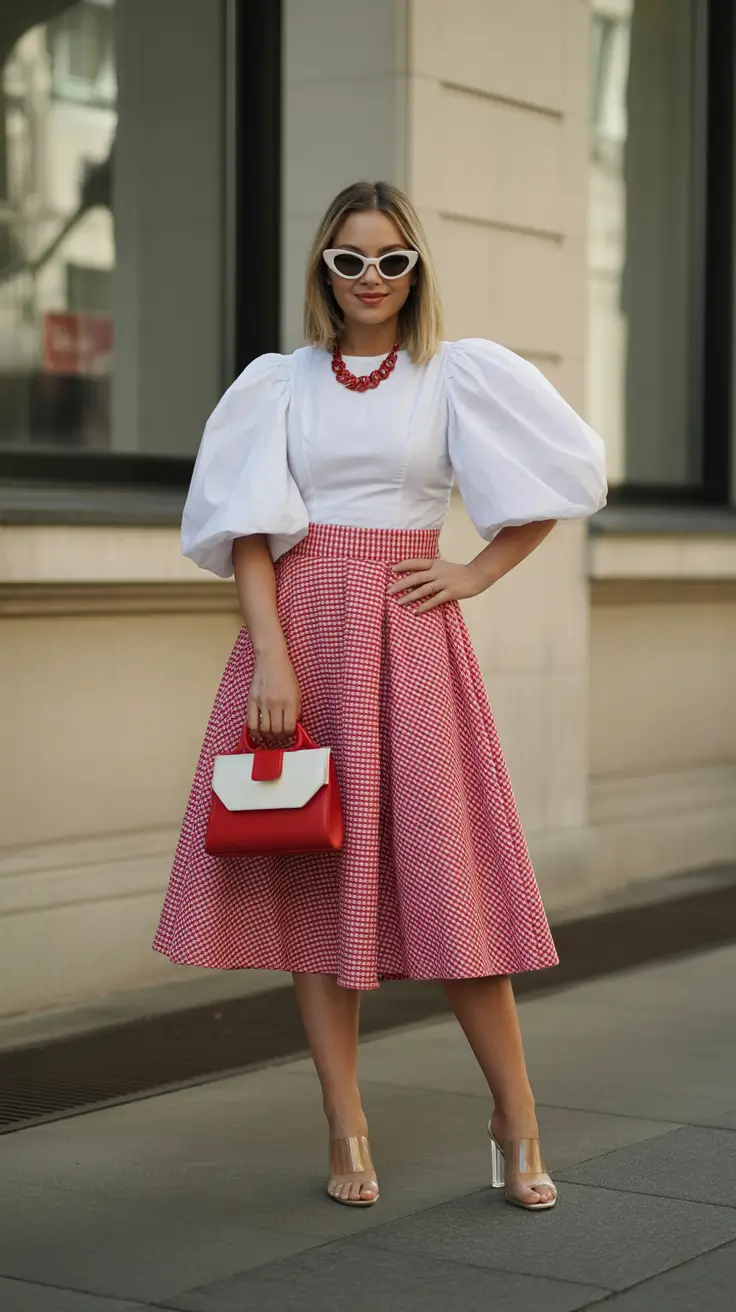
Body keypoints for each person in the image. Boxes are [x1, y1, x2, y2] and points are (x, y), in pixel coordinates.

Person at [153, 180, 607, 1212]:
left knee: (456, 887)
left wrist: (476, 573)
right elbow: (251, 535)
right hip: (303, 635)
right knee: (317, 885)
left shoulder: (455, 374)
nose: (370, 278)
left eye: (391, 259)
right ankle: (345, 1126)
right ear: (324, 267)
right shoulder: (281, 382)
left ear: (416, 269)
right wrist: (271, 656)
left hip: (411, 640)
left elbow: (565, 475)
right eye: (350, 259)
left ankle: (515, 1117)